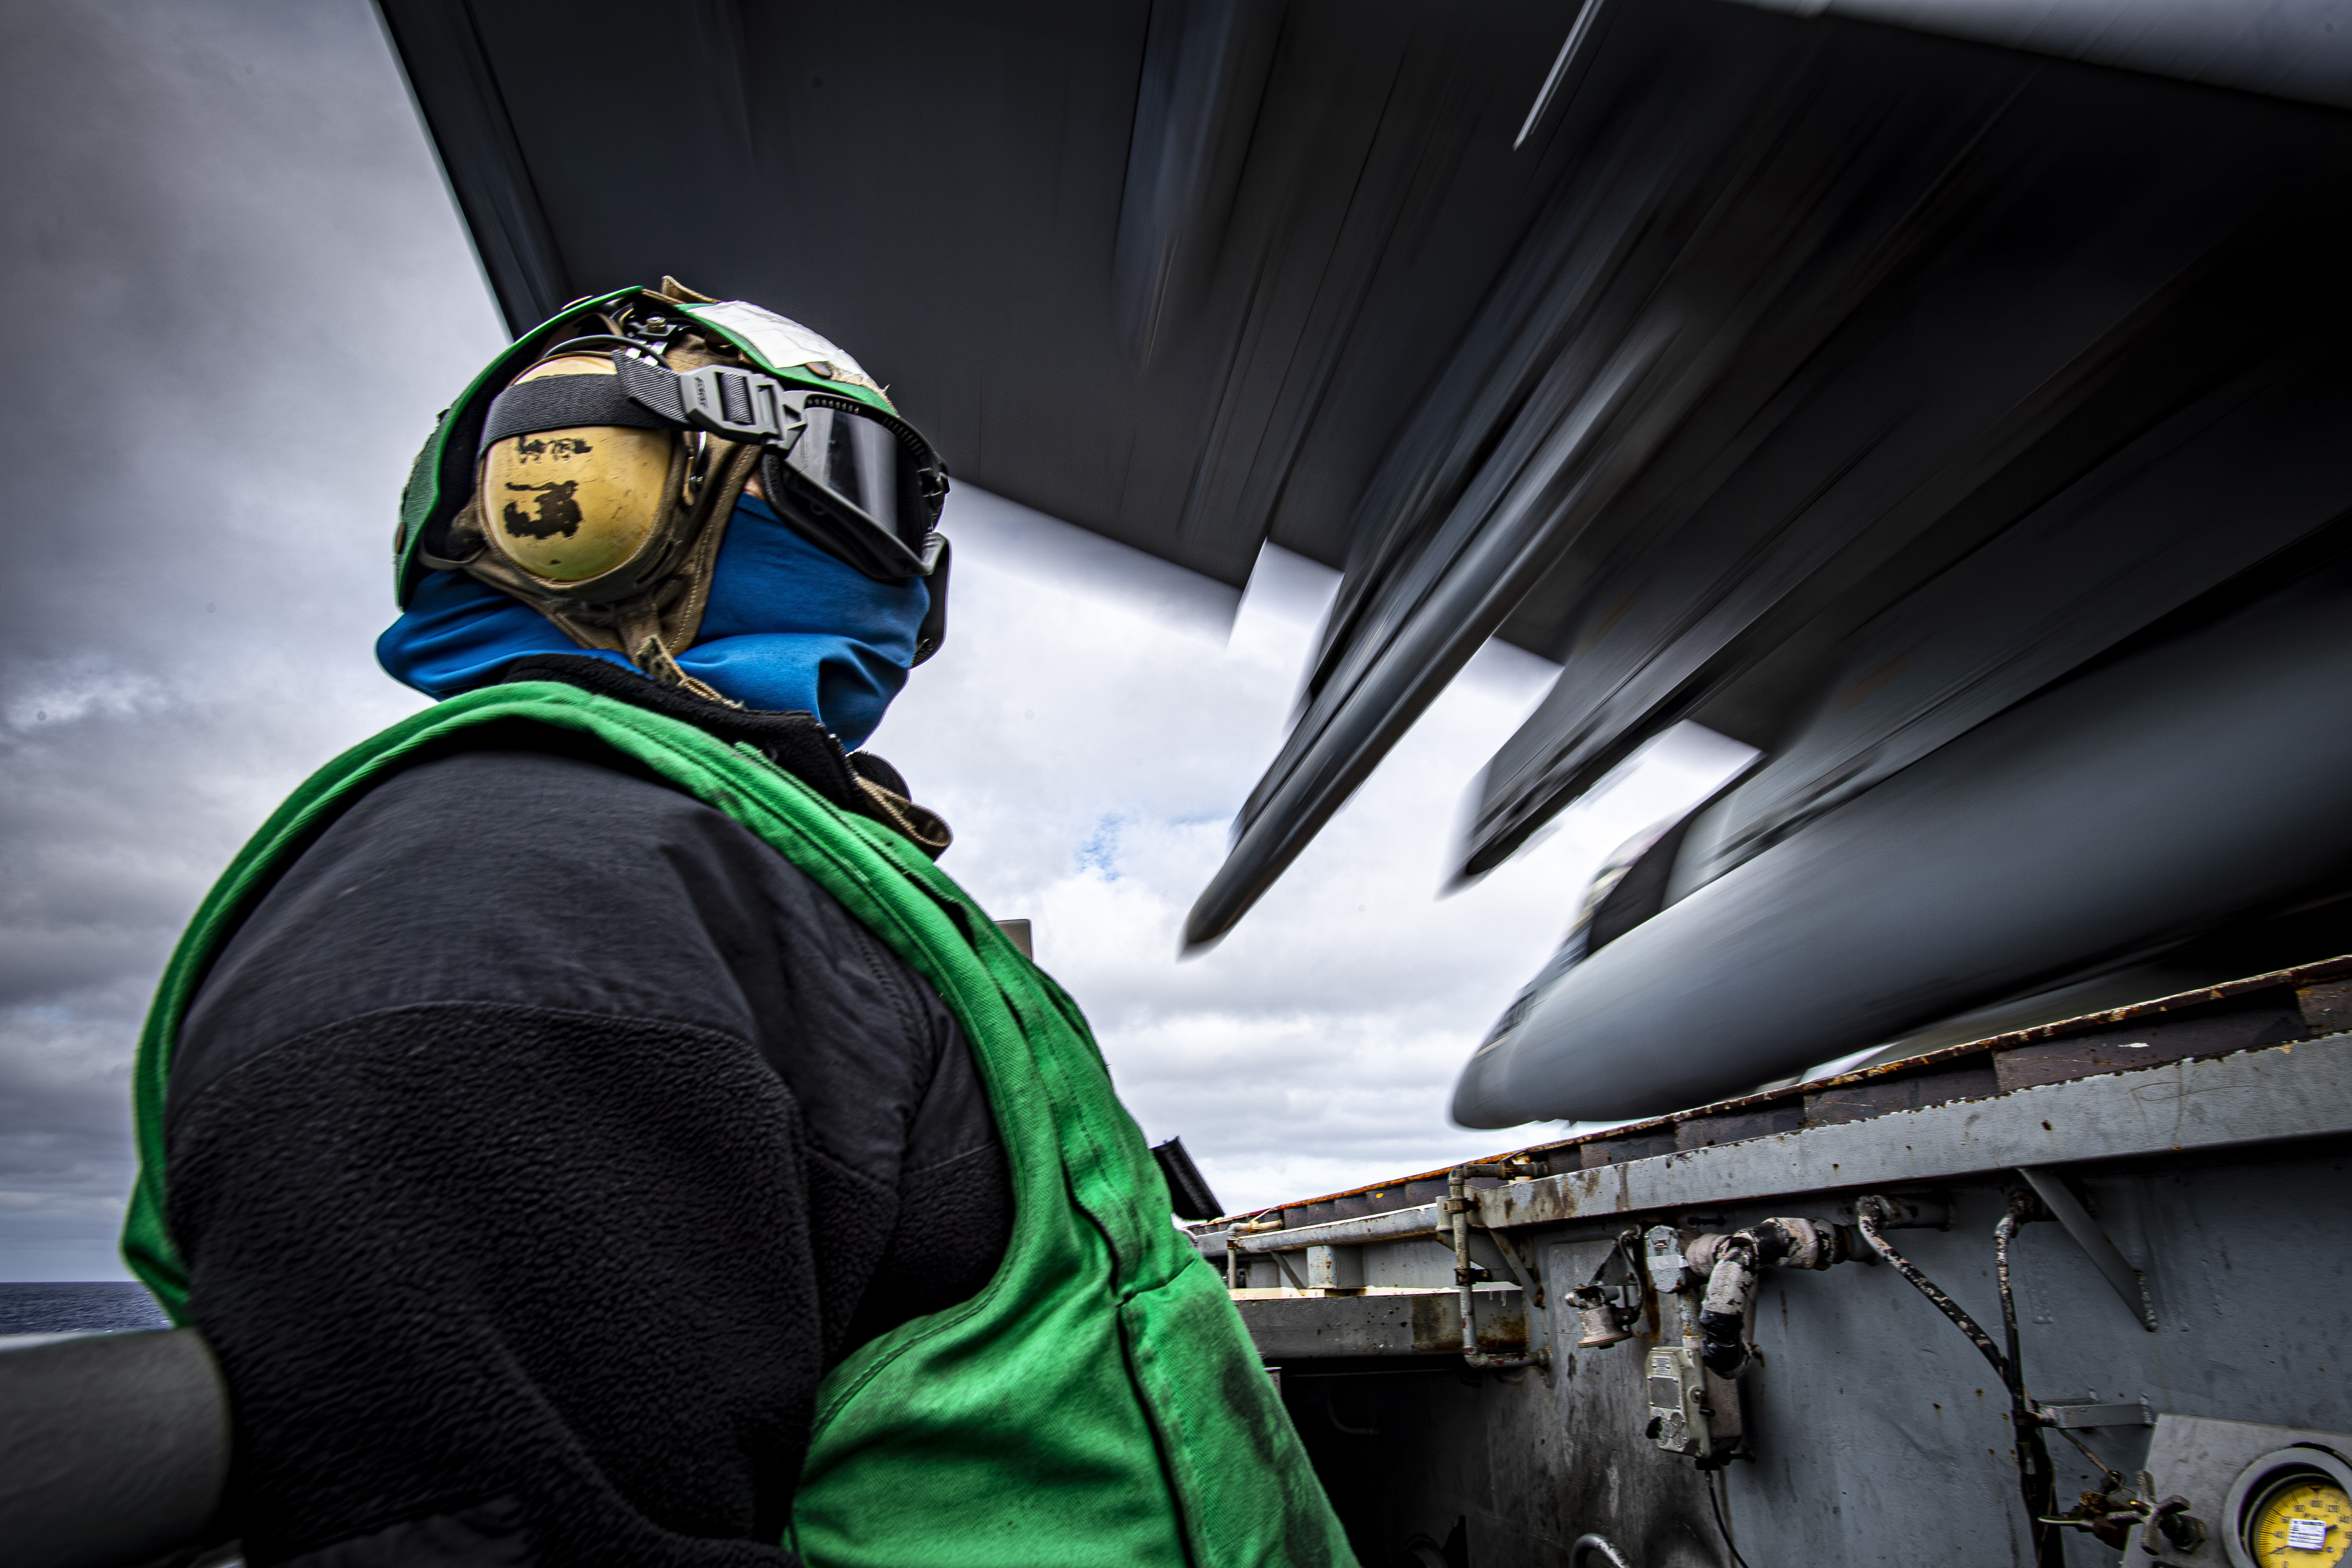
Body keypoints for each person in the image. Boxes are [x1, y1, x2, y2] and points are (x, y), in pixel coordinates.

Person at [121, 279, 1353, 1568]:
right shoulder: (518, 906)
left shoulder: (754, 863)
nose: (914, 576)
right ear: (603, 480)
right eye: (871, 489)